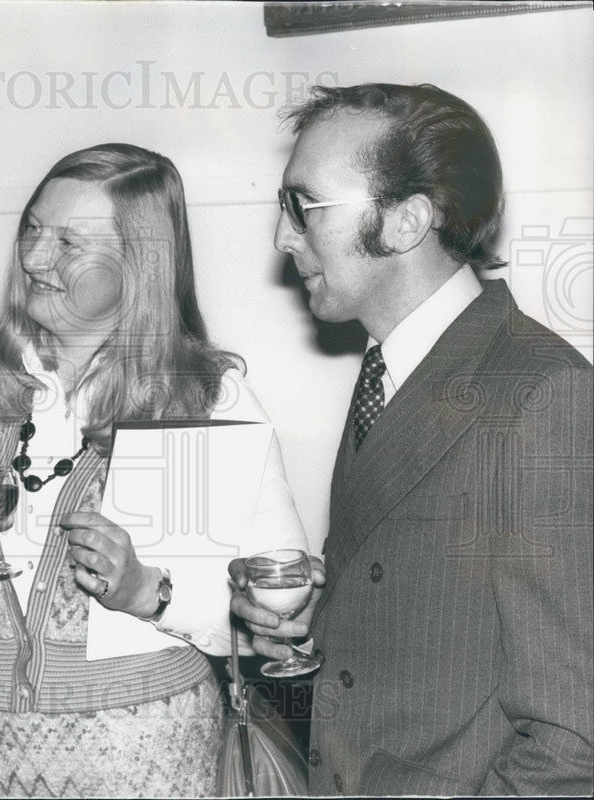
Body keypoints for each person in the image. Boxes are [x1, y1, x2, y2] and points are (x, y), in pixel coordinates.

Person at [0, 143, 310, 797]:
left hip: (147, 764)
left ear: (140, 264)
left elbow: (277, 606)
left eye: (68, 241)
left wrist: (148, 590)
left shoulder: (198, 398)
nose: (34, 257)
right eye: (32, 229)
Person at [230, 83, 593, 795]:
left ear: (405, 222)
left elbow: (572, 738)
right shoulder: (388, 369)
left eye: (306, 207)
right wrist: (314, 623)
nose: (283, 236)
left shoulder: (543, 393)